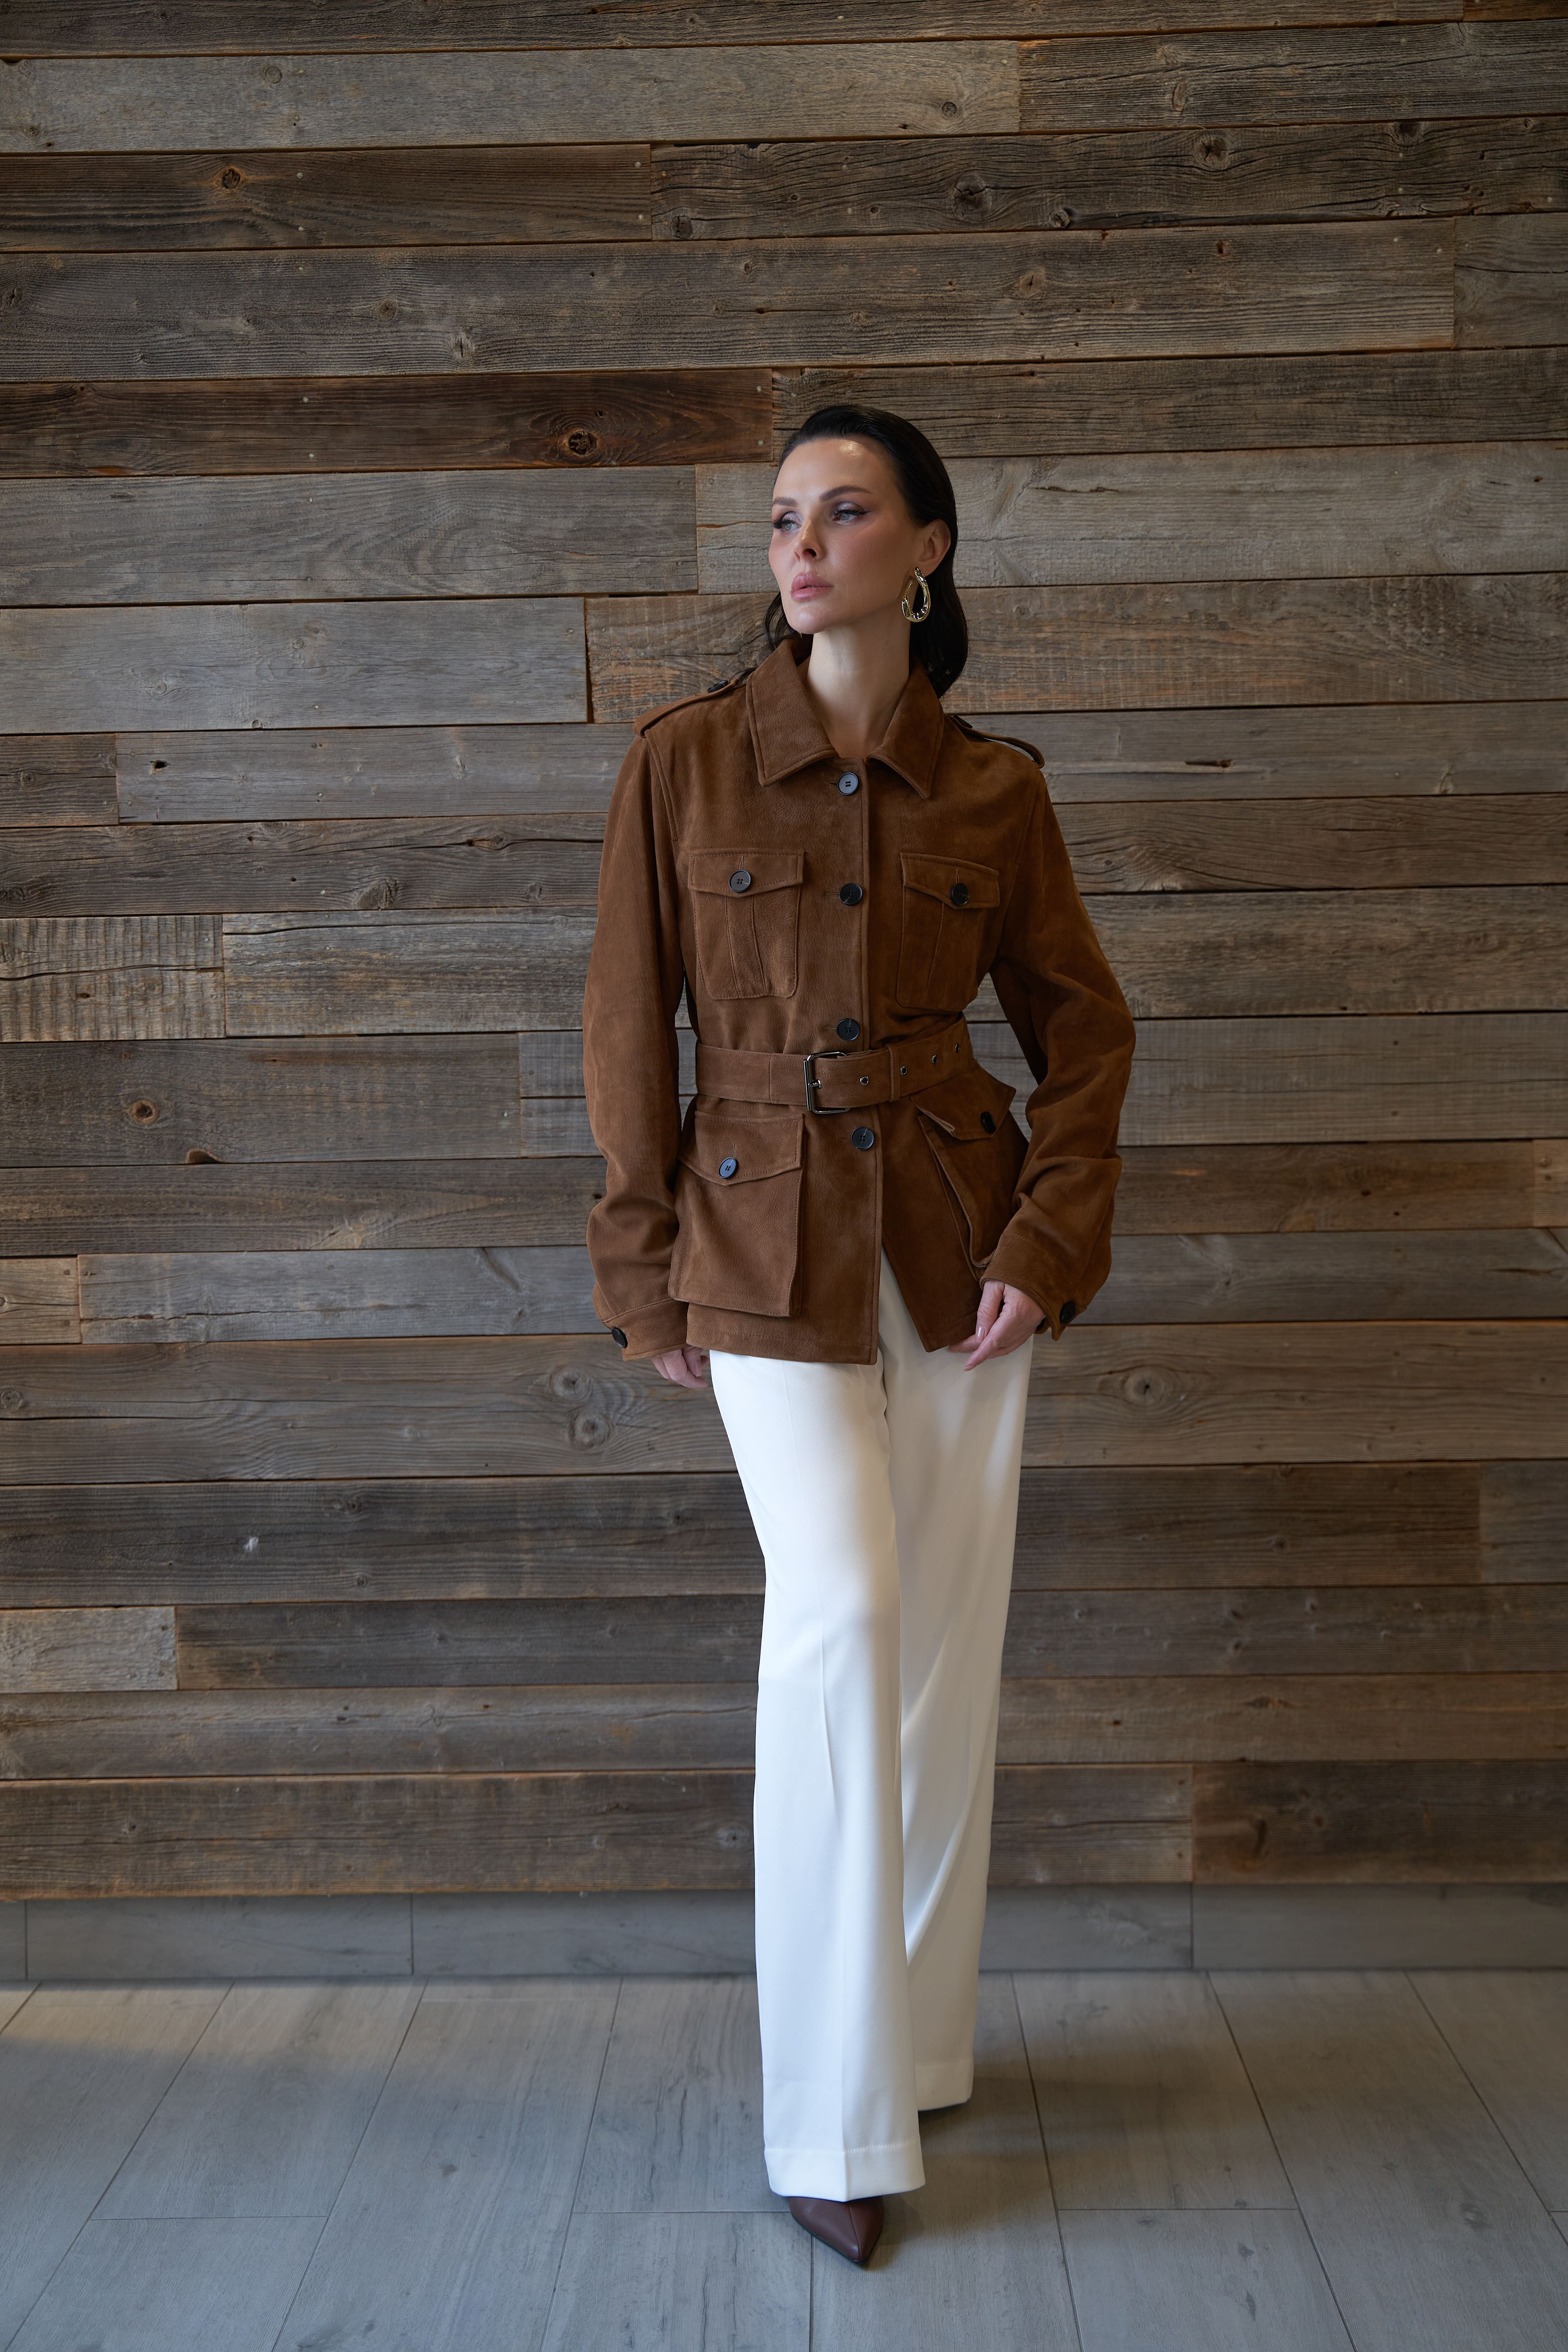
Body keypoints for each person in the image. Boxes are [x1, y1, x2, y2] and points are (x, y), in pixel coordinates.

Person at [581, 405, 1136, 2268]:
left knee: (942, 1660)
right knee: (844, 1618)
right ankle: (830, 2118)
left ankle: (917, 2049)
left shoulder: (995, 790)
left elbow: (1086, 1033)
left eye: (842, 513)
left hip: (963, 1249)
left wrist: (1050, 1241)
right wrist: (642, 1268)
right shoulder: (683, 765)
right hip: (758, 1241)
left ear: (930, 548)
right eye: (781, 521)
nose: (802, 548)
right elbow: (625, 1033)